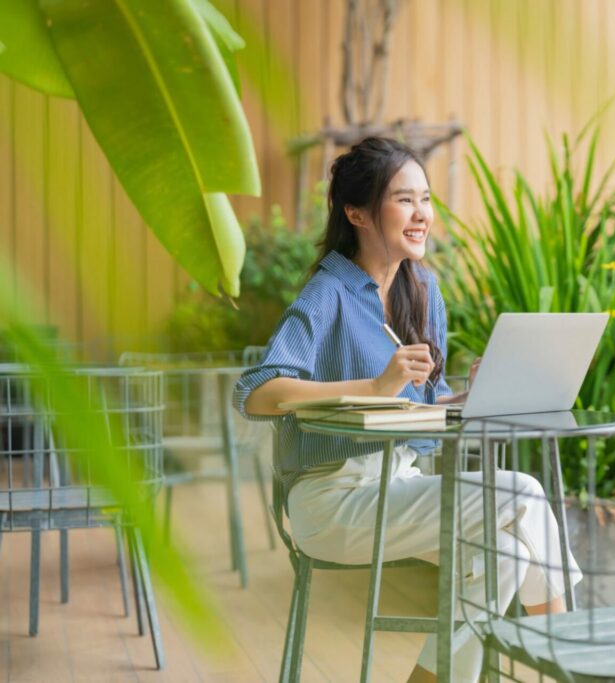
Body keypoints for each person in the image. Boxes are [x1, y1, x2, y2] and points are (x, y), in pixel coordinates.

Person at [233, 137, 582, 682]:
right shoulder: (329, 292)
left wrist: (465, 399)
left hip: (397, 485)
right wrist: (373, 386)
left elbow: (414, 407)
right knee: (525, 493)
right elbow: (256, 392)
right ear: (357, 213)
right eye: (404, 200)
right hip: (331, 501)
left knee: (506, 556)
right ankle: (569, 668)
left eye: (425, 198)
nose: (422, 215)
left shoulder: (423, 290)